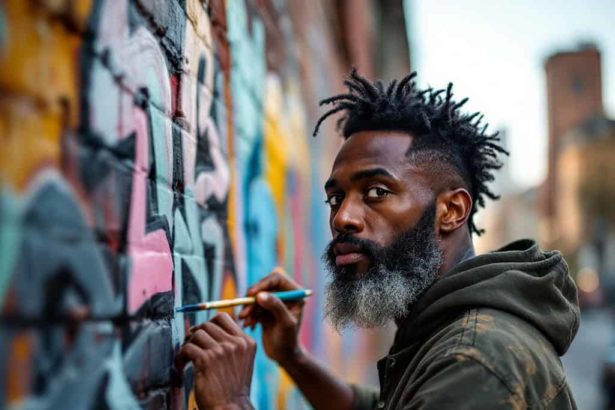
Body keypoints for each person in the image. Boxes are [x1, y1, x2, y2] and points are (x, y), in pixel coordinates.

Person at [175, 70, 580, 409]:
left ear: (451, 211)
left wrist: (232, 404)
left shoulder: (473, 361)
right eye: (336, 197)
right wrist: (291, 357)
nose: (343, 218)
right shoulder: (446, 331)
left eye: (377, 193)